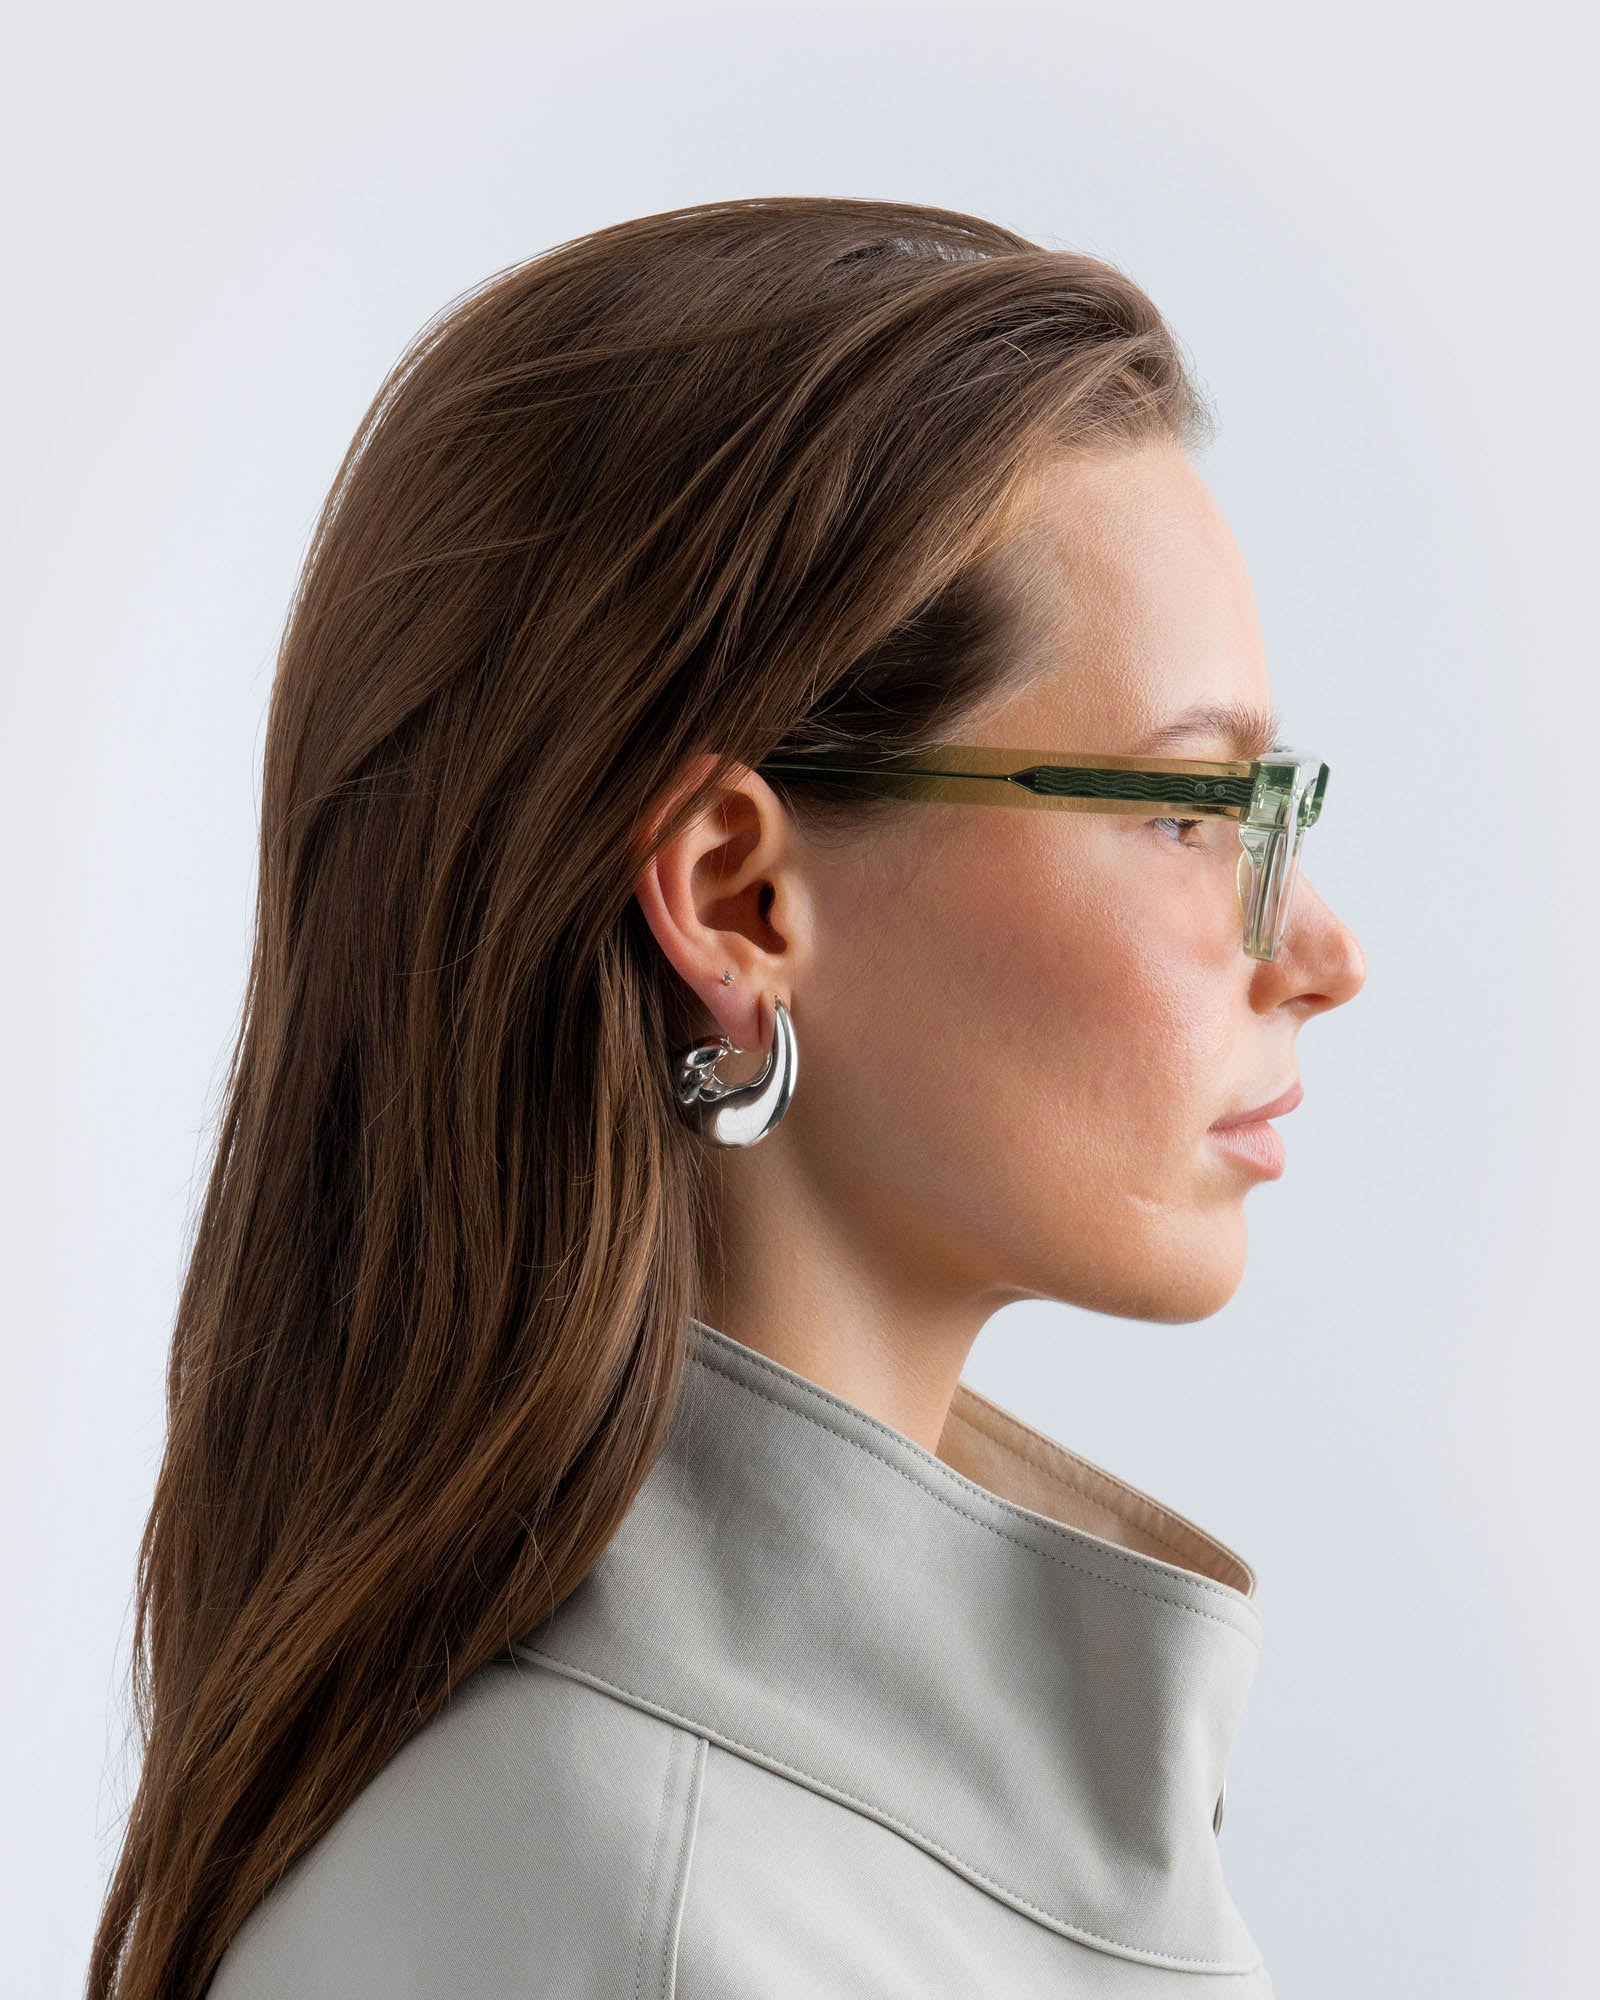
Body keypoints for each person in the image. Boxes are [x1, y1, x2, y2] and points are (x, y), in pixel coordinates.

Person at [88, 195, 1365, 2000]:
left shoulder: (807, 1852)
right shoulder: (615, 1922)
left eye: (1269, 808)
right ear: (738, 900)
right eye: (1186, 810)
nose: (1320, 944)